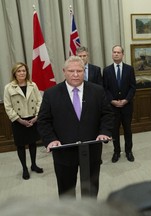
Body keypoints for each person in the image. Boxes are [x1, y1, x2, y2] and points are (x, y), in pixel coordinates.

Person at [37, 56, 114, 198]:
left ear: (84, 71)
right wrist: (50, 139)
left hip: (91, 150)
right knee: (66, 192)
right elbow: (43, 121)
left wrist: (104, 131)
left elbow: (107, 115)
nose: (75, 74)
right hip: (64, 152)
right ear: (64, 71)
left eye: (79, 71)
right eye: (71, 71)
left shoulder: (97, 91)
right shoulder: (51, 94)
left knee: (91, 189)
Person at [3, 62, 43, 180]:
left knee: (32, 143)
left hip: (33, 118)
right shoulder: (8, 87)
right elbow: (8, 106)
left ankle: (34, 165)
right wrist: (19, 120)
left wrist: (37, 117)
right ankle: (24, 168)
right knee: (20, 145)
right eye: (19, 71)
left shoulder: (33, 85)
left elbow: (39, 102)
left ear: (27, 72)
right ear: (14, 73)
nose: (22, 73)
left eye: (24, 70)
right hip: (18, 120)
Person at [103, 45, 136, 163]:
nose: (116, 54)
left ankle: (128, 151)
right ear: (112, 54)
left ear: (122, 55)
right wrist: (112, 101)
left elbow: (133, 87)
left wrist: (126, 100)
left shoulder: (129, 69)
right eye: (114, 52)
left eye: (118, 52)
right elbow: (105, 89)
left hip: (127, 105)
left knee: (127, 129)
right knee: (114, 131)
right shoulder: (106, 70)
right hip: (113, 107)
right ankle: (116, 152)